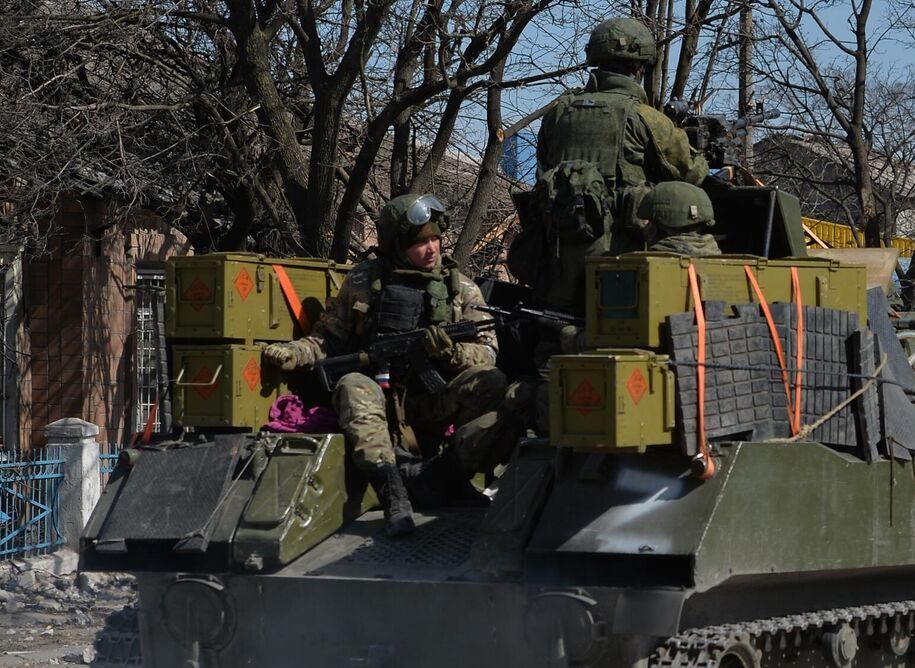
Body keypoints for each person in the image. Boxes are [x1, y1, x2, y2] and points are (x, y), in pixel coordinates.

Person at [262, 194, 518, 538]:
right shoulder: (364, 281)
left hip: (433, 399)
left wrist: (450, 353)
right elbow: (327, 339)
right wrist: (293, 353)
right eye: (420, 243)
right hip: (379, 399)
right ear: (397, 245)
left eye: (435, 239)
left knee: (491, 381)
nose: (431, 249)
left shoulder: (462, 289)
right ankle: (393, 492)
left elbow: (487, 353)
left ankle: (448, 480)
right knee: (352, 385)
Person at [508, 16, 706, 315]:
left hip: (558, 254)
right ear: (640, 66)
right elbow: (690, 173)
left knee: (552, 335)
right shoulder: (643, 117)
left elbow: (545, 163)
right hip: (619, 257)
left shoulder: (559, 113)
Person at [642, 181, 722, 256]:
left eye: (650, 221)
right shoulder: (722, 261)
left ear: (668, 228)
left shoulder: (645, 265)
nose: (646, 227)